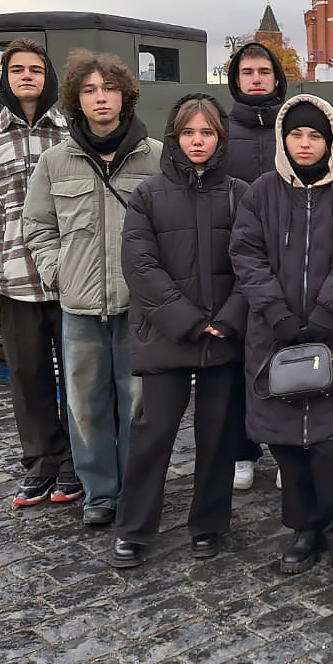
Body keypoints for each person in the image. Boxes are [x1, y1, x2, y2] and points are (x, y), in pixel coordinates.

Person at [229, 94, 333, 581]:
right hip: (277, 338)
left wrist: (326, 309)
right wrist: (277, 312)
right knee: (288, 441)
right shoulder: (263, 193)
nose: (305, 143)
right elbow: (246, 255)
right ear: (283, 140)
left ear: (330, 140)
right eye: (296, 134)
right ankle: (303, 529)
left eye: (315, 135)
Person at [108, 95, 249, 569]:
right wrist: (188, 320)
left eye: (207, 133)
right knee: (153, 435)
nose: (197, 141)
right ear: (175, 138)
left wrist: (228, 319)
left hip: (223, 337)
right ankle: (134, 527)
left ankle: (209, 524)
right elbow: (140, 265)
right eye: (189, 132)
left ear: (220, 138)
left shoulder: (240, 194)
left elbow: (254, 266)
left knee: (217, 437)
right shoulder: (148, 195)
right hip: (170, 337)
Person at [24, 51, 161, 527]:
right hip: (80, 308)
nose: (100, 97)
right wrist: (58, 272)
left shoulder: (157, 157)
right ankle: (100, 492)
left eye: (108, 88)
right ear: (75, 101)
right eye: (89, 90)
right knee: (85, 406)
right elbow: (38, 226)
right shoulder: (55, 162)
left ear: (125, 95)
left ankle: (138, 489)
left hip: (138, 307)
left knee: (138, 403)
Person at [0, 40, 78, 507]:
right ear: (4, 78)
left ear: (49, 78)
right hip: (14, 283)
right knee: (28, 379)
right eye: (17, 70)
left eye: (36, 69)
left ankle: (75, 463)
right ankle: (41, 462)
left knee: (79, 377)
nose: (27, 76)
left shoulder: (73, 135)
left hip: (71, 280)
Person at [223, 41, 289, 492]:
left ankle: (286, 447)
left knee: (285, 358)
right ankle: (242, 450)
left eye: (264, 71)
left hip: (286, 264)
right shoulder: (223, 130)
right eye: (248, 72)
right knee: (233, 367)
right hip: (231, 267)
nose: (256, 79)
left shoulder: (294, 125)